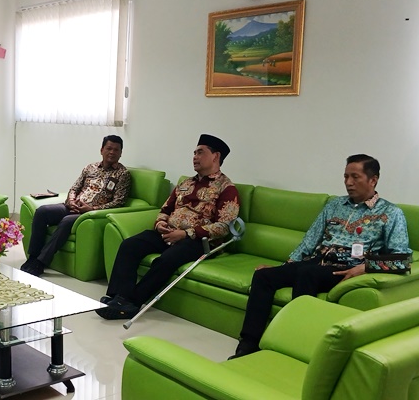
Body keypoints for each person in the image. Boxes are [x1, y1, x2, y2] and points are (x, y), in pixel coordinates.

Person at [232, 154, 411, 358]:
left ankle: (292, 346)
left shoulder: (390, 213)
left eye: (355, 177)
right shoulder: (334, 205)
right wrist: (285, 266)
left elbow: (402, 260)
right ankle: (248, 344)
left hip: (347, 267)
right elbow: (309, 241)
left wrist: (365, 267)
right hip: (318, 261)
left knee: (308, 273)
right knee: (264, 276)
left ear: (373, 180)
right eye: (346, 177)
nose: (348, 182)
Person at [97, 134, 240, 320]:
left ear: (216, 156)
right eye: (194, 153)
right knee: (130, 245)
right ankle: (118, 296)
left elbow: (224, 226)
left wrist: (186, 233)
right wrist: (161, 223)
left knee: (165, 260)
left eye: (200, 153)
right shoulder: (186, 182)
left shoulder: (226, 188)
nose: (195, 157)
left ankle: (131, 303)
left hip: (197, 241)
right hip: (168, 233)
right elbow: (165, 209)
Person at [21, 135, 130, 277]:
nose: (112, 152)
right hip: (72, 206)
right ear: (101, 150)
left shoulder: (123, 174)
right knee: (42, 212)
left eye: (116, 150)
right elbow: (74, 188)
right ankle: (33, 256)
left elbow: (119, 202)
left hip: (89, 213)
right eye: (109, 148)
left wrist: (92, 209)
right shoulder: (90, 167)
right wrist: (71, 201)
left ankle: (40, 263)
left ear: (121, 153)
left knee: (67, 221)